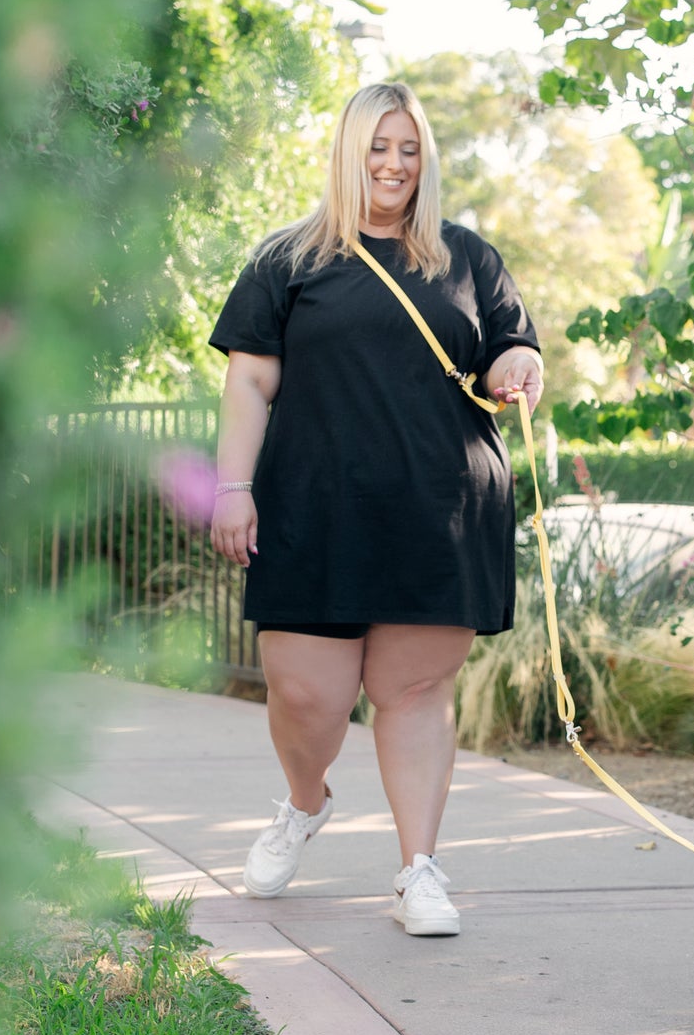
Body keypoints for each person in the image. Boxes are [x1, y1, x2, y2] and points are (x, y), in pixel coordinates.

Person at [207, 83, 543, 937]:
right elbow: (249, 381)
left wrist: (517, 366)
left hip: (441, 508)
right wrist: (233, 487)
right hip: (311, 508)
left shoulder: (465, 257)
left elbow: (508, 343)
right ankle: (304, 801)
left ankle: (418, 869)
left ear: (425, 159)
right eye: (378, 147)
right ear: (348, 153)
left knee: (415, 690)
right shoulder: (287, 259)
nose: (394, 164)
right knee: (305, 695)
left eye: (409, 149)